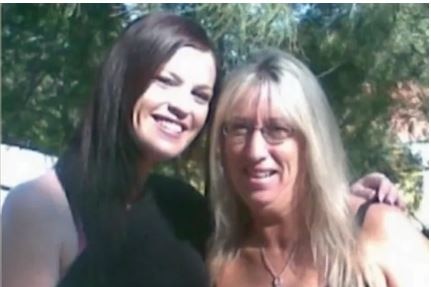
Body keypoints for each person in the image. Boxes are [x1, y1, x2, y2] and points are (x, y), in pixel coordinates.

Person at [2, 12, 405, 287]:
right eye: (165, 80)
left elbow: (276, 220)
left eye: (200, 94)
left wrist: (338, 201)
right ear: (123, 80)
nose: (181, 105)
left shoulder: (183, 210)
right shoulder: (42, 207)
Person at [207, 50, 428, 287]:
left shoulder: (377, 232)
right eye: (239, 128)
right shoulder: (220, 261)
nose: (255, 151)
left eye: (278, 129)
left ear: (312, 142)